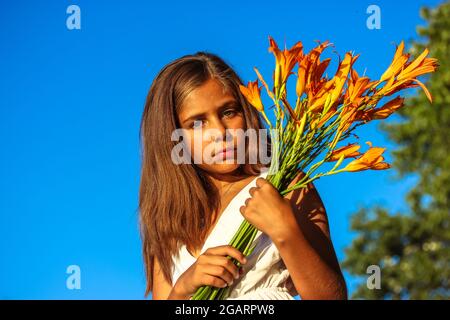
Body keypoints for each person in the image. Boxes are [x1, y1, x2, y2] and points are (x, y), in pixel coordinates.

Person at [138, 51, 347, 300]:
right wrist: (184, 287)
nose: (219, 132)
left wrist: (285, 230)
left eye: (228, 112)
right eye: (197, 123)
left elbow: (332, 297)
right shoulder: (168, 223)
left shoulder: (285, 184)